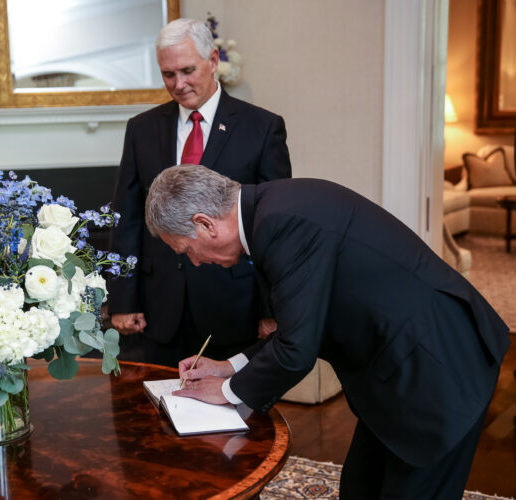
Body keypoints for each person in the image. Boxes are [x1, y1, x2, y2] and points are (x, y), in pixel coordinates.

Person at [145, 165, 510, 499]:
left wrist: (225, 392)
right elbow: (301, 325)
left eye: (187, 250)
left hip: (439, 367)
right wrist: (231, 366)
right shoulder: (270, 212)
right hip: (395, 366)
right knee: (359, 489)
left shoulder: (281, 224)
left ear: (206, 224)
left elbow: (296, 351)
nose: (194, 262)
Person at [107, 18, 292, 367]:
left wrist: (271, 309)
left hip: (233, 304)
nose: (179, 84)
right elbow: (127, 217)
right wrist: (122, 299)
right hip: (160, 306)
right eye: (168, 74)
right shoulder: (141, 129)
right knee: (158, 408)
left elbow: (273, 225)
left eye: (188, 70)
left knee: (232, 414)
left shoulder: (262, 128)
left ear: (213, 60)